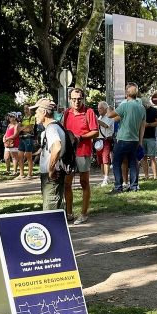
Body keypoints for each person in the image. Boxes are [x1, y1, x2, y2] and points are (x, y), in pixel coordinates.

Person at [63, 87, 97, 224]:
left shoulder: (88, 112)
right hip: (69, 153)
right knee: (67, 183)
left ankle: (83, 213)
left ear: (83, 99)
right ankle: (69, 213)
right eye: (74, 99)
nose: (77, 102)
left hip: (83, 151)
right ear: (70, 100)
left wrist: (80, 137)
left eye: (79, 99)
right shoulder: (67, 113)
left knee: (84, 182)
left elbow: (95, 131)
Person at [106, 84, 146, 193]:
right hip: (135, 140)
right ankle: (134, 186)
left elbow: (110, 115)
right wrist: (140, 141)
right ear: (136, 94)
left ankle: (118, 187)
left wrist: (109, 108)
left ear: (126, 94)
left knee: (116, 162)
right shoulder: (142, 108)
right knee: (133, 163)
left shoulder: (124, 106)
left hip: (123, 138)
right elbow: (142, 127)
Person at [35, 98, 65, 210]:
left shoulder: (52, 128)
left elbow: (57, 147)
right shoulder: (54, 127)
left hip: (52, 176)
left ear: (44, 112)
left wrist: (51, 169)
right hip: (51, 175)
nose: (35, 115)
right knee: (53, 209)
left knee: (50, 212)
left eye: (37, 112)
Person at [142, 96, 157, 181]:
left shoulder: (154, 110)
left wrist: (148, 124)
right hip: (141, 137)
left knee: (152, 157)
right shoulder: (140, 110)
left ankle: (155, 176)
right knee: (143, 157)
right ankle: (146, 175)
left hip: (151, 137)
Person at [95, 101, 113, 187]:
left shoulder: (109, 117)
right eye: (98, 108)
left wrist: (96, 121)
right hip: (98, 140)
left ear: (106, 109)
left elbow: (106, 126)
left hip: (105, 140)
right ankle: (104, 178)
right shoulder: (100, 117)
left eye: (101, 108)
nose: (99, 110)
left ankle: (106, 177)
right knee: (101, 160)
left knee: (105, 160)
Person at [18, 104, 36, 179]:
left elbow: (30, 128)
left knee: (28, 157)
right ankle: (21, 174)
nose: (25, 110)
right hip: (22, 138)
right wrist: (25, 128)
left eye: (27, 108)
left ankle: (29, 174)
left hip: (29, 138)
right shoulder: (22, 118)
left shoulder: (32, 117)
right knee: (20, 156)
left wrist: (22, 128)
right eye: (24, 108)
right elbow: (18, 129)